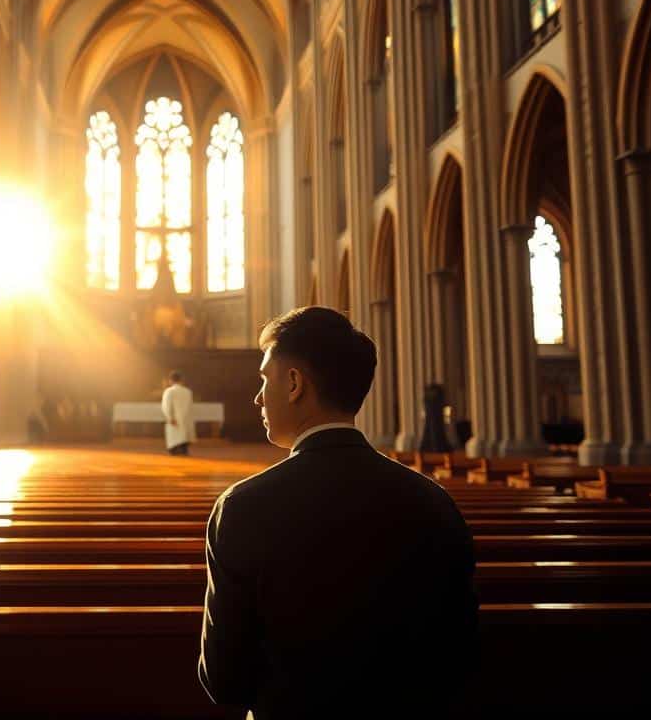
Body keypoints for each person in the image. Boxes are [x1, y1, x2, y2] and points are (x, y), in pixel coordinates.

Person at [198, 306, 477, 717]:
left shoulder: (242, 507)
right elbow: (460, 659)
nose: (258, 396)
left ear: (294, 383)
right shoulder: (434, 501)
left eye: (264, 379)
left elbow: (225, 680)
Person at [161, 370, 194, 456]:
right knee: (184, 435)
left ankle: (175, 450)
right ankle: (184, 449)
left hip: (175, 419)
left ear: (170, 380)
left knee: (174, 438)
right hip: (186, 419)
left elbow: (166, 406)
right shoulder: (188, 391)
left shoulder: (169, 391)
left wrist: (169, 418)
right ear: (181, 380)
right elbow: (190, 407)